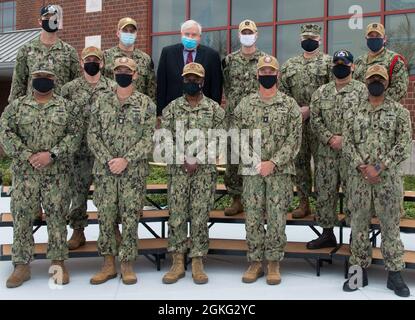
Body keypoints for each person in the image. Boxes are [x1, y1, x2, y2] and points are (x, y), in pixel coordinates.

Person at [1, 62, 81, 288]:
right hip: (26, 175)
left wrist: (52, 155)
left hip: (56, 175)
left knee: (57, 219)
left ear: (54, 80)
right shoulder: (16, 108)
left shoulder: (67, 107)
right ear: (31, 79)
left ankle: (58, 263)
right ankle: (21, 265)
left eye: (47, 76)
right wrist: (29, 155)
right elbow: (5, 133)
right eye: (38, 76)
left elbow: (75, 136)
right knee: (23, 218)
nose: (42, 80)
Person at [343, 64, 411, 298]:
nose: (376, 82)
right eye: (372, 78)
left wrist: (379, 167)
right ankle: (358, 273)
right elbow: (348, 143)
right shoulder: (353, 111)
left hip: (387, 181)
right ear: (366, 81)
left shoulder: (399, 112)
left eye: (380, 79)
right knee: (358, 228)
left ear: (387, 83)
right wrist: (361, 166)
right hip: (359, 180)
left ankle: (394, 275)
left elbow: (403, 144)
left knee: (390, 229)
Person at [88, 57, 156, 285]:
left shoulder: (146, 104)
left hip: (133, 172)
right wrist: (110, 160)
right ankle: (107, 263)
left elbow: (148, 139)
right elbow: (92, 135)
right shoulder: (101, 101)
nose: (123, 74)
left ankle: (127, 263)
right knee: (106, 217)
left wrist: (126, 159)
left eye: (127, 71)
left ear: (136, 75)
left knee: (129, 217)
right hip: (105, 172)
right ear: (113, 73)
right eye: (118, 70)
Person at [235, 56, 302, 285]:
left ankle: (274, 262)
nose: (266, 75)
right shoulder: (245, 104)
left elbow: (294, 140)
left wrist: (272, 162)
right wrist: (255, 162)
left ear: (277, 74)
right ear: (257, 75)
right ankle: (255, 262)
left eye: (270, 71)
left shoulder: (289, 105)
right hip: (252, 171)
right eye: (262, 71)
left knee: (276, 218)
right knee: (252, 217)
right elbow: (237, 137)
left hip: (279, 172)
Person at [161, 63, 225, 285]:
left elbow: (220, 140)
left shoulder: (215, 110)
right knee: (177, 216)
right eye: (187, 78)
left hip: (204, 173)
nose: (191, 82)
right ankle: (177, 261)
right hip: (178, 172)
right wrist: (183, 159)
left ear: (202, 82)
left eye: (195, 79)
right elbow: (165, 140)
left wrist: (198, 159)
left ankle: (197, 260)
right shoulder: (171, 109)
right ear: (182, 80)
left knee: (199, 215)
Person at [308, 50, 367, 249]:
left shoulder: (363, 91)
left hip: (354, 155)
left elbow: (367, 119)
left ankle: (355, 236)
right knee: (325, 193)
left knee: (354, 194)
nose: (340, 66)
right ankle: (327, 234)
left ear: (352, 66)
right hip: (326, 153)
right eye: (337, 63)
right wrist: (330, 138)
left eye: (344, 63)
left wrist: (345, 139)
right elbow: (315, 120)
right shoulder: (321, 92)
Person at [61, 46, 117, 250]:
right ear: (81, 63)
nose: (91, 62)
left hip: (104, 151)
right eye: (87, 59)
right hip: (79, 151)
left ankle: (111, 230)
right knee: (78, 192)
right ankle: (77, 231)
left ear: (102, 63)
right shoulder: (69, 89)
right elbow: (62, 120)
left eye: (96, 59)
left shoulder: (112, 87)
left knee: (107, 193)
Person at [280, 24, 332, 219]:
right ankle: (303, 203)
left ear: (319, 39)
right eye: (305, 37)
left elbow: (331, 91)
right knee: (300, 164)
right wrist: (296, 111)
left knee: (322, 166)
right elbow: (283, 93)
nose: (309, 40)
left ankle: (323, 204)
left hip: (321, 122)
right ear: (301, 40)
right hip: (298, 123)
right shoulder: (289, 65)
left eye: (313, 37)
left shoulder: (329, 63)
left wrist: (311, 109)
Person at [222, 19, 267, 216]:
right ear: (239, 35)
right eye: (244, 32)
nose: (247, 35)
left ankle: (258, 200)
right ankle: (236, 198)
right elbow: (226, 86)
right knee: (233, 160)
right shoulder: (229, 60)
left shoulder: (265, 60)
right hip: (234, 118)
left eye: (250, 32)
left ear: (256, 35)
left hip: (257, 119)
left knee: (256, 158)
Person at [9, 5, 79, 102]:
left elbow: (76, 86)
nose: (50, 20)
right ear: (40, 21)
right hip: (32, 111)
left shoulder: (69, 51)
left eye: (54, 18)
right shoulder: (26, 50)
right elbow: (18, 85)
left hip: (61, 112)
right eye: (47, 18)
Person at [156, 19, 223, 122]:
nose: (190, 37)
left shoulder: (211, 55)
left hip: (203, 114)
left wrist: (215, 113)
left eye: (194, 35)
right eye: (187, 34)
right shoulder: (167, 53)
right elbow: (161, 85)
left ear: (200, 37)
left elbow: (216, 88)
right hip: (172, 113)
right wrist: (160, 113)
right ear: (181, 34)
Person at [103, 17, 156, 102]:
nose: (129, 33)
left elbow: (151, 89)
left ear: (136, 34)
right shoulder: (105, 56)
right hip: (111, 108)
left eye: (132, 31)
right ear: (118, 33)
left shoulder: (145, 59)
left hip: (138, 109)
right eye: (125, 30)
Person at [354, 23, 408, 102]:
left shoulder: (395, 60)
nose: (374, 38)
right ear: (366, 38)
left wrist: (376, 101)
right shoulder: (359, 61)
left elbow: (400, 89)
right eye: (371, 36)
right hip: (361, 110)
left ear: (384, 38)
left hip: (385, 110)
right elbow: (354, 85)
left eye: (378, 36)